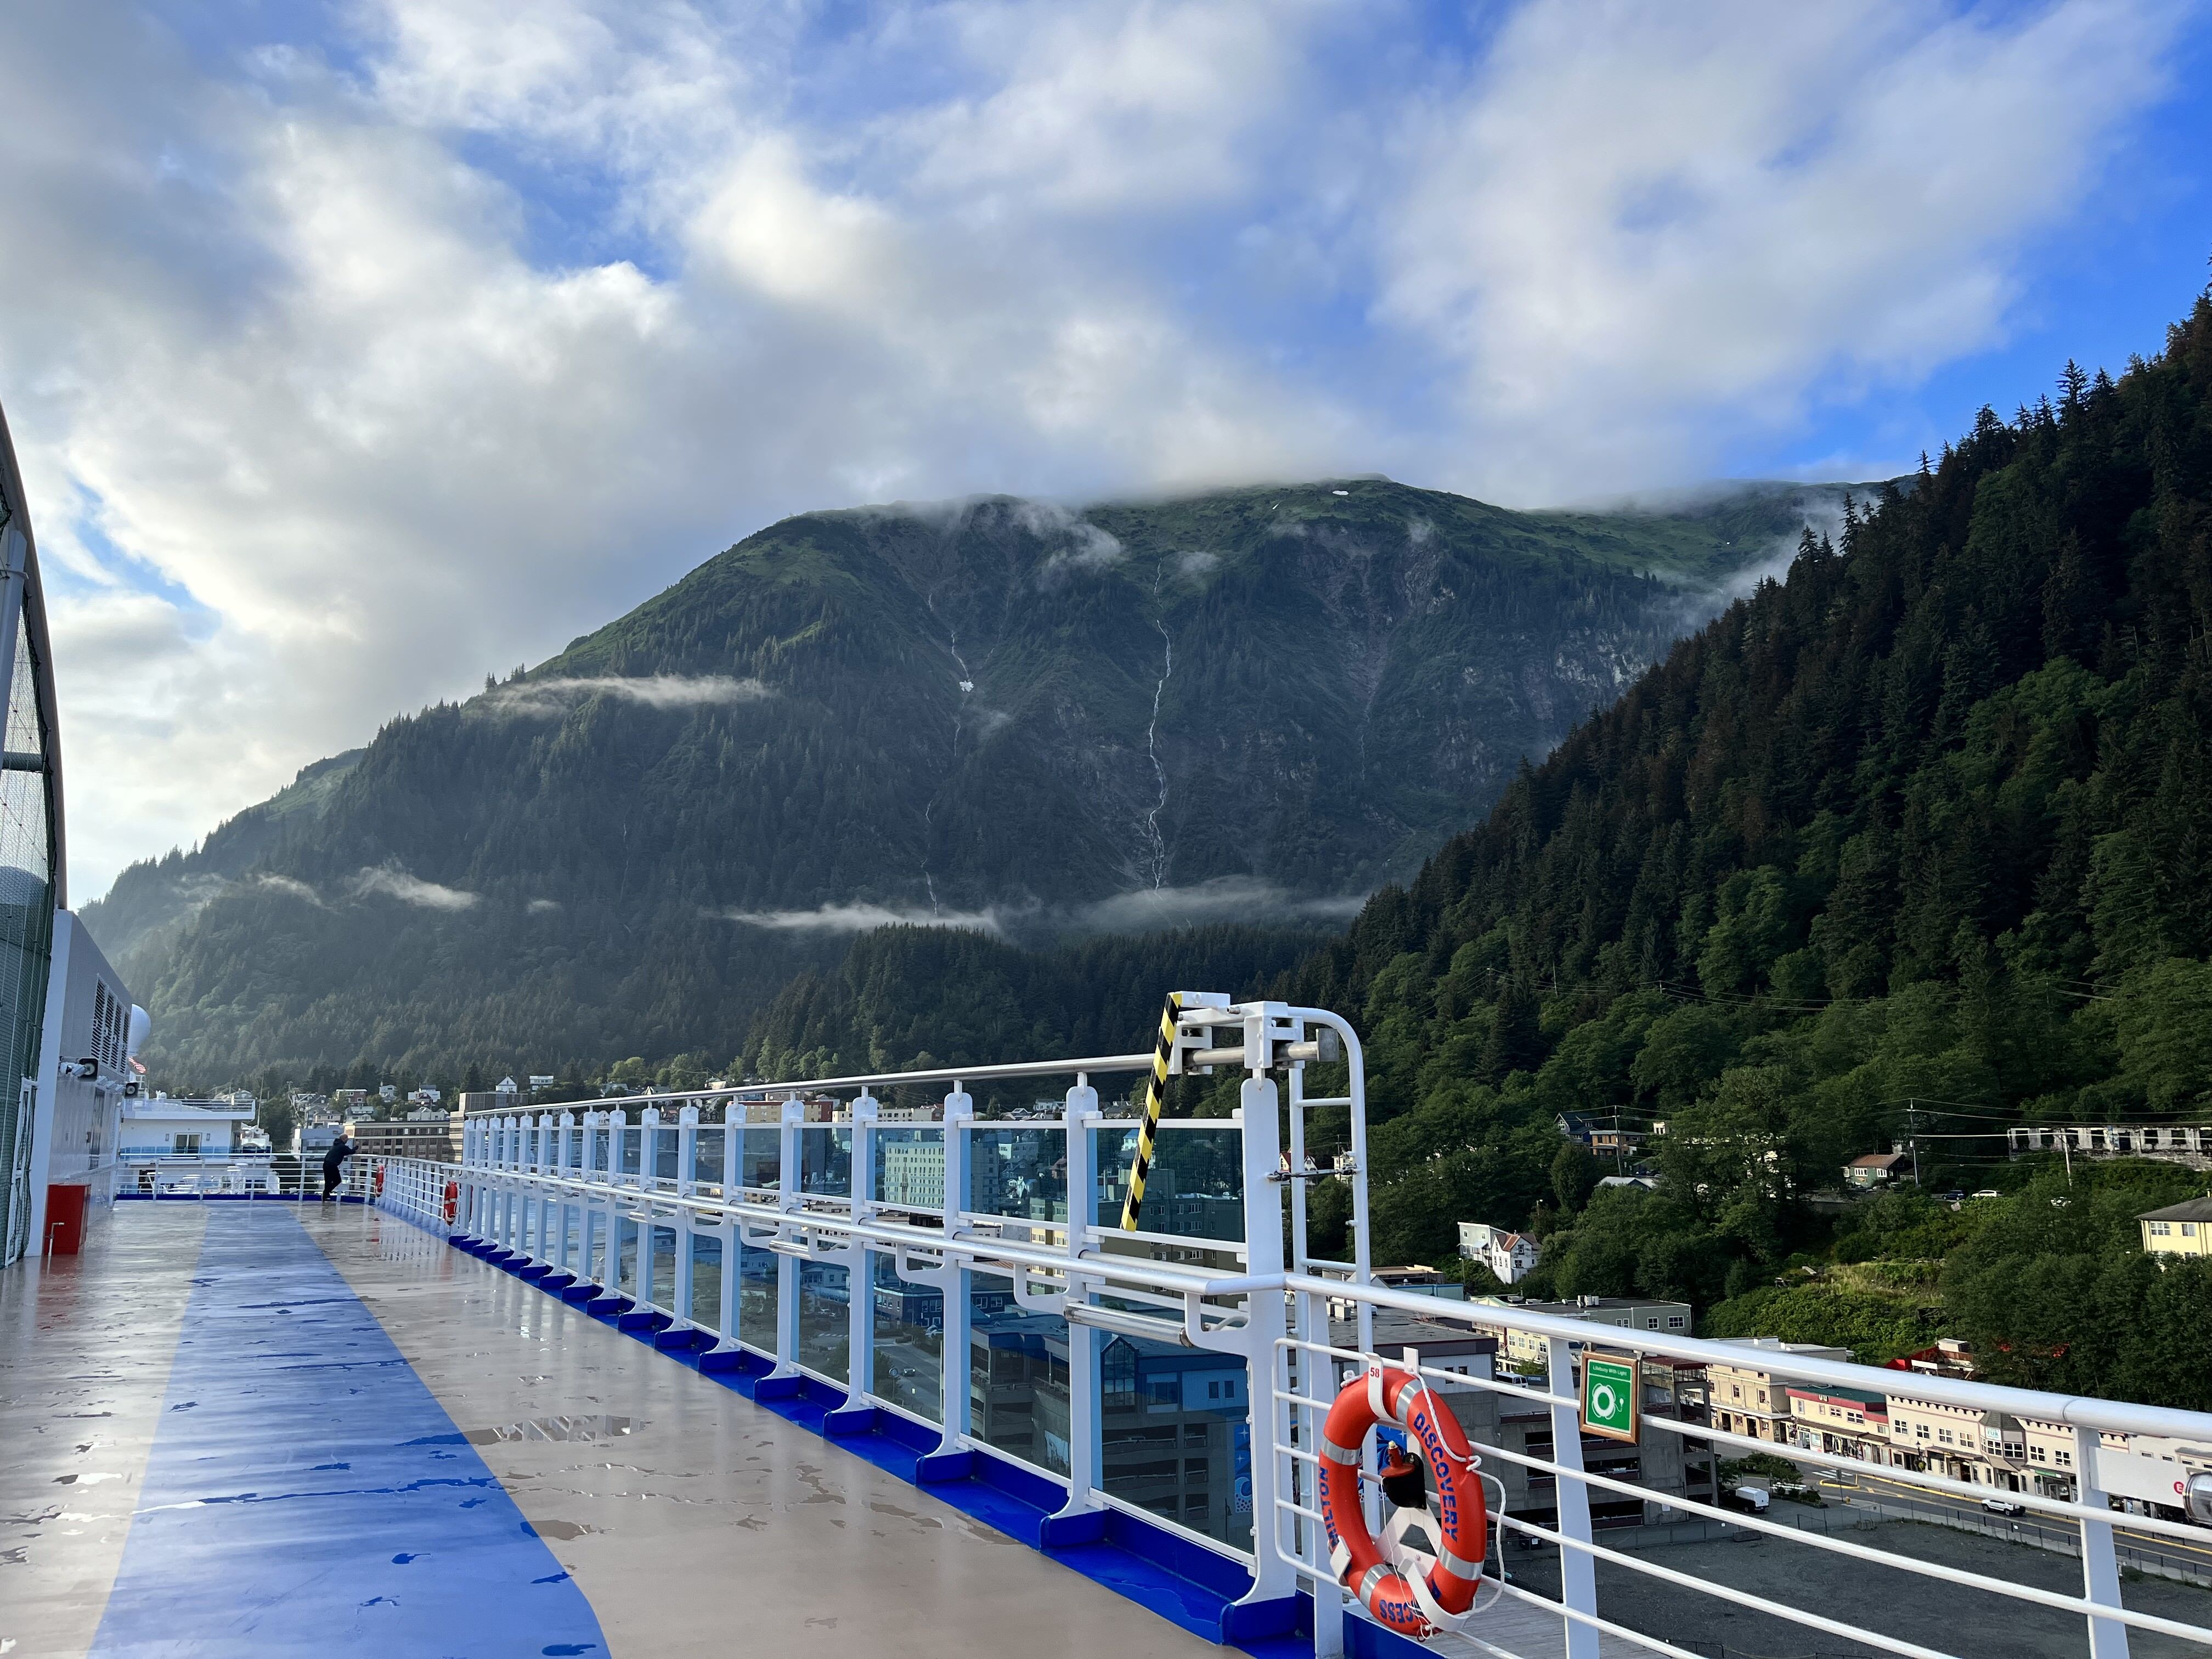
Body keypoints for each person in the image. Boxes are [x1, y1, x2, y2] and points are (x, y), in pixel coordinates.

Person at [321, 1124, 357, 1201]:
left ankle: (326, 1195)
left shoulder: (336, 1145)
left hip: (326, 1164)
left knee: (328, 1181)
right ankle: (326, 1193)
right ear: (344, 1139)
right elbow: (350, 1152)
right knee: (337, 1180)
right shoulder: (342, 1147)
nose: (347, 1140)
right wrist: (356, 1147)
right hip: (332, 1165)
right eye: (347, 1139)